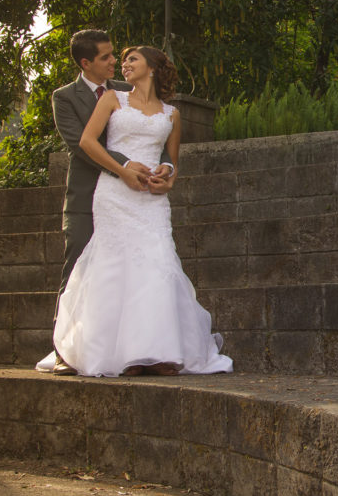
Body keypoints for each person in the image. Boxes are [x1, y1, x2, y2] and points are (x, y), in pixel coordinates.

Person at [37, 45, 232, 377]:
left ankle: (157, 352)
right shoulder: (113, 99)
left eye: (132, 59)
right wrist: (123, 170)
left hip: (152, 200)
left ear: (152, 68)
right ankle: (119, 354)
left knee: (158, 264)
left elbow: (170, 159)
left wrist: (167, 178)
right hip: (115, 194)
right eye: (122, 59)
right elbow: (87, 142)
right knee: (115, 266)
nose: (123, 64)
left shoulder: (171, 113)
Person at [41, 29, 173, 375]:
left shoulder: (128, 89)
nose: (115, 61)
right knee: (79, 268)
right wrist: (125, 165)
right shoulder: (65, 97)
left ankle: (136, 348)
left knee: (134, 270)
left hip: (138, 194)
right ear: (86, 63)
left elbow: (155, 132)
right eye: (106, 57)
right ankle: (66, 350)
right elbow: (78, 143)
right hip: (90, 195)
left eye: (116, 55)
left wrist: (166, 169)